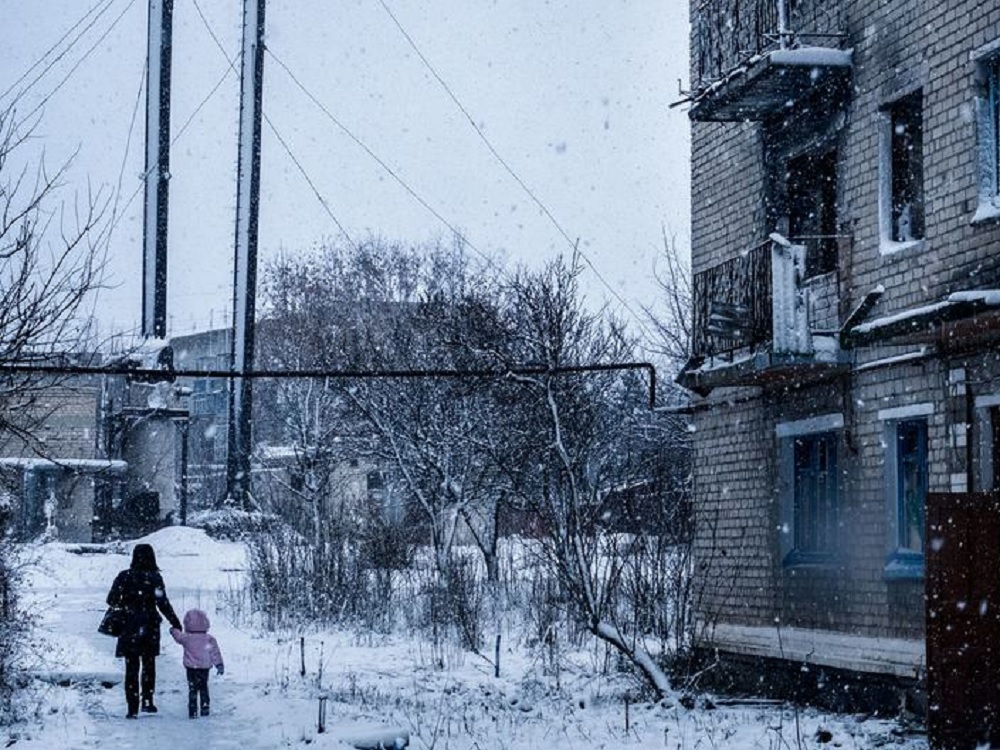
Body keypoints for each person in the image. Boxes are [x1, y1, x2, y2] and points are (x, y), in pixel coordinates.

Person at [106, 543, 182, 718]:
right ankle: (147, 700)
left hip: (129, 624)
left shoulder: (124, 576)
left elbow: (111, 599)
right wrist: (175, 622)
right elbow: (162, 603)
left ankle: (132, 707)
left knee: (131, 667)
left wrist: (127, 603)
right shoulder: (154, 577)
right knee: (149, 664)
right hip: (149, 624)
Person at [169, 608, 225, 718]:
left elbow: (178, 637)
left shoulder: (187, 637)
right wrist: (219, 664)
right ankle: (205, 707)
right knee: (204, 687)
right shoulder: (209, 639)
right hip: (204, 667)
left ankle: (193, 709)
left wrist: (173, 630)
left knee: (192, 689)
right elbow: (215, 652)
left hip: (191, 668)